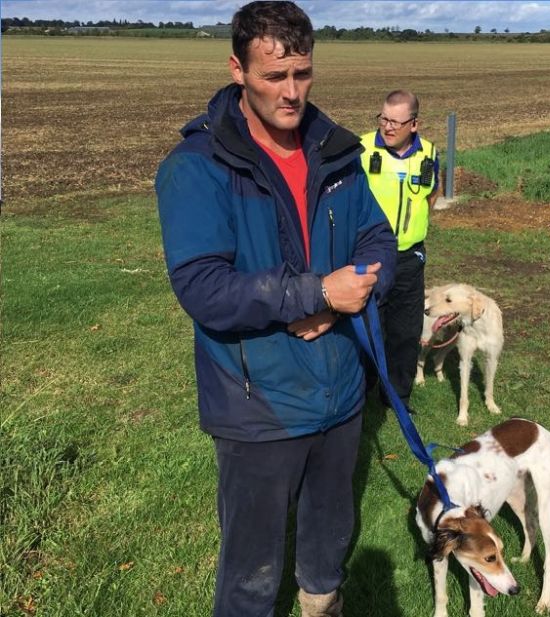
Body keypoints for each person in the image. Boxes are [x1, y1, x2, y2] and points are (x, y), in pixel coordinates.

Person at [155, 3, 396, 616]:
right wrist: (317, 293)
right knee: (251, 573)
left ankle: (322, 603)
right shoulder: (196, 168)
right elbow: (203, 287)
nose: (292, 93)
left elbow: (378, 240)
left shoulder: (336, 152)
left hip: (340, 390)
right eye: (273, 77)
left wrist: (352, 296)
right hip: (257, 402)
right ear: (237, 69)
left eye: (303, 74)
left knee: (327, 545)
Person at [360, 91, 439, 411]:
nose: (387, 127)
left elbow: (432, 196)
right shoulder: (362, 149)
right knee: (368, 329)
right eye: (383, 118)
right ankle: (360, 395)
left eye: (395, 121)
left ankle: (397, 397)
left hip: (410, 257)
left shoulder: (430, 152)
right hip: (370, 257)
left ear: (415, 124)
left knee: (405, 332)